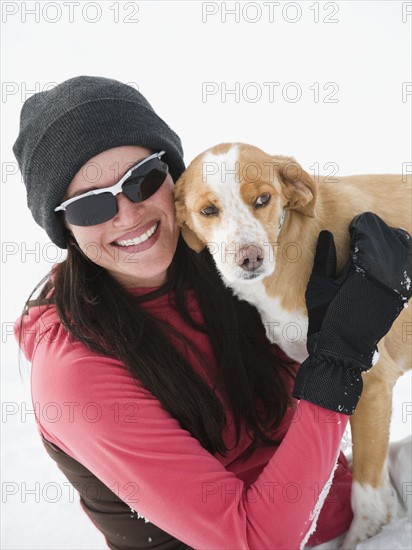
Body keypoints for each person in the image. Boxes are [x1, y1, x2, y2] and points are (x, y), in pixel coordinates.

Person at [12, 76, 411, 550]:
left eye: (142, 180)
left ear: (174, 182)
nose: (128, 214)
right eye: (90, 205)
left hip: (352, 503)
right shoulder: (76, 372)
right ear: (63, 226)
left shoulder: (219, 261)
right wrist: (336, 360)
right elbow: (251, 540)